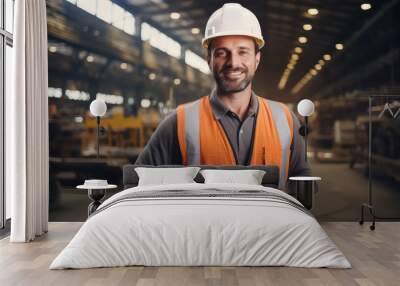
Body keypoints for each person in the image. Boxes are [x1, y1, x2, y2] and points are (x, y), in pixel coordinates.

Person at [136, 3, 311, 189]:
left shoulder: (285, 119)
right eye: (221, 53)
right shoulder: (179, 122)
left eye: (243, 52)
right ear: (209, 59)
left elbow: (302, 179)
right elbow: (139, 183)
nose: (233, 62)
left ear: (257, 60)